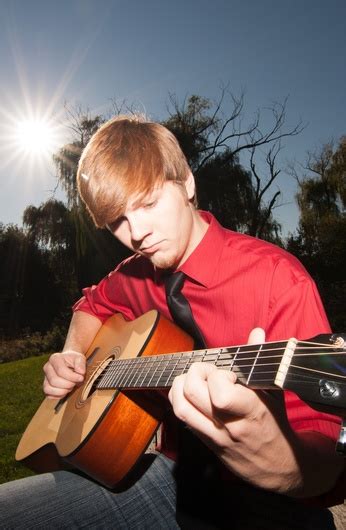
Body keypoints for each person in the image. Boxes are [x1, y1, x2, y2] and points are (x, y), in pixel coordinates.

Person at [0, 115, 344, 529]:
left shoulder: (278, 280)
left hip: (269, 509)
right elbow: (91, 304)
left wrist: (281, 462)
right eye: (117, 221)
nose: (137, 233)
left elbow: (327, 458)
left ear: (187, 184)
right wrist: (73, 354)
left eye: (147, 203)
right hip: (168, 479)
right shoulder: (133, 274)